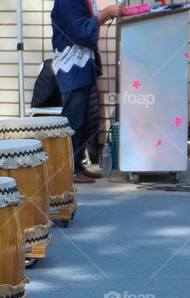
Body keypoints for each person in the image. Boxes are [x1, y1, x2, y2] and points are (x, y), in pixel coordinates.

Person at [51, 0, 120, 183]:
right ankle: (70, 169)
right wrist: (105, 14)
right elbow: (81, 31)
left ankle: (78, 165)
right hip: (72, 66)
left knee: (85, 119)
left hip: (83, 64)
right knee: (73, 120)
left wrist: (104, 15)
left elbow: (86, 27)